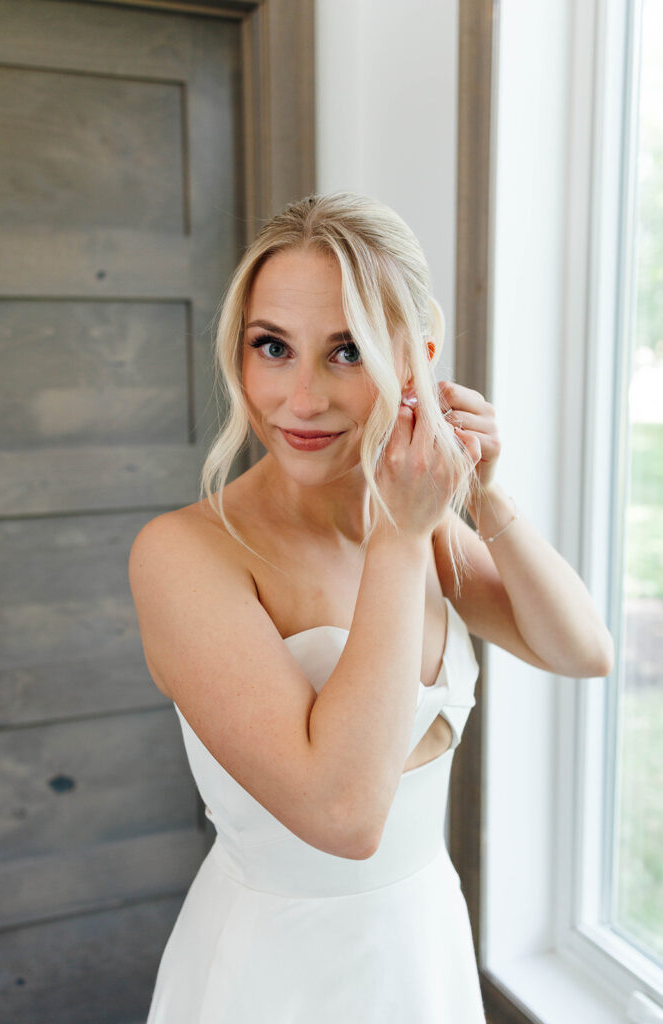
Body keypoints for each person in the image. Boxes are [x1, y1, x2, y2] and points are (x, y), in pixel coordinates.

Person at [128, 192, 614, 1023]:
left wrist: (484, 497)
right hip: (275, 976)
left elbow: (580, 650)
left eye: (346, 351)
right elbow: (344, 816)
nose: (303, 398)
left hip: (420, 942)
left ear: (414, 360)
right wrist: (403, 539)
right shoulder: (184, 555)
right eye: (272, 347)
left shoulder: (411, 517)